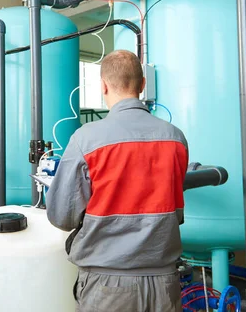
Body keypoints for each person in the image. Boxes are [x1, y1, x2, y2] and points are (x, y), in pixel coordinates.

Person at [46, 50, 189, 312]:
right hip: (166, 283)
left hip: (107, 285)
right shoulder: (175, 138)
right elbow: (176, 210)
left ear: (103, 85)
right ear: (142, 85)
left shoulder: (86, 139)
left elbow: (61, 217)